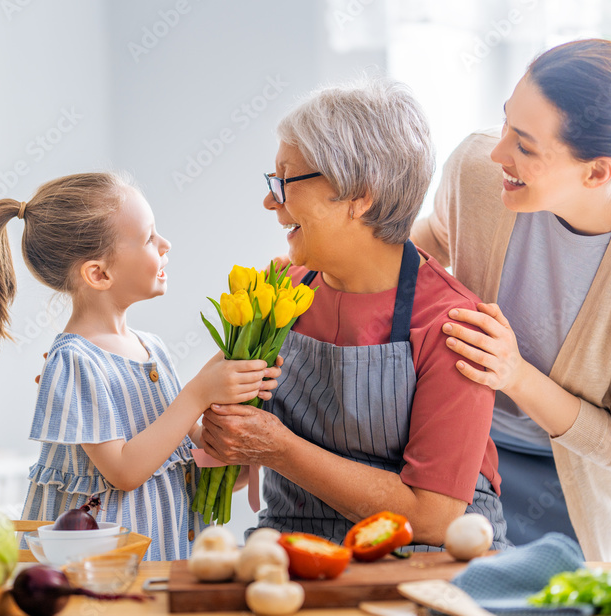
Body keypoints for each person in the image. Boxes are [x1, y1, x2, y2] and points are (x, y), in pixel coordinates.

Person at [411, 39, 611, 561]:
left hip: (575, 503)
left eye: (525, 146)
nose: (497, 152)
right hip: (461, 456)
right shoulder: (477, 174)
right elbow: (435, 237)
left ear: (597, 171)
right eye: (505, 122)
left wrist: (516, 375)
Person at [199, 77, 510, 550]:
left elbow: (433, 516)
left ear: (360, 194)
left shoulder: (453, 325)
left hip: (422, 561)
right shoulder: (281, 293)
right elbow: (238, 464)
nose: (270, 200)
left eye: (286, 181)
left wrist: (279, 449)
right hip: (290, 550)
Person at [0, 172, 281, 560]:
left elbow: (190, 456)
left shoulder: (152, 349)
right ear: (99, 274)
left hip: (164, 556)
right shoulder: (73, 360)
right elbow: (124, 471)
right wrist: (198, 393)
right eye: (148, 237)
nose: (165, 244)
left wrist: (238, 433)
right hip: (100, 570)